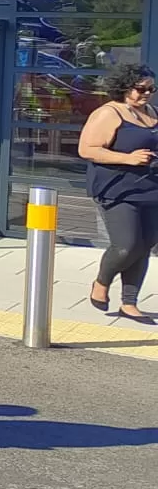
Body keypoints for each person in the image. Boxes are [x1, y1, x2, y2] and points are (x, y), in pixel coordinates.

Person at [79, 62, 158, 321]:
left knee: (145, 245)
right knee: (126, 245)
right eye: (140, 89)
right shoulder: (109, 113)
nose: (146, 94)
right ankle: (101, 283)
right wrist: (128, 159)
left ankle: (129, 303)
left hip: (150, 189)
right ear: (124, 87)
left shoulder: (152, 112)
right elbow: (87, 149)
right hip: (117, 189)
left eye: (151, 89)